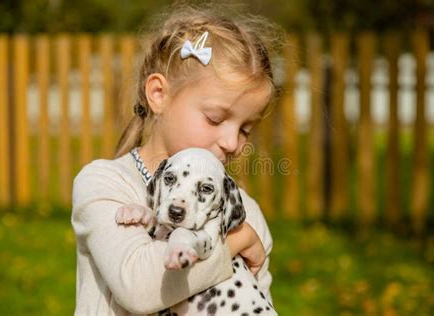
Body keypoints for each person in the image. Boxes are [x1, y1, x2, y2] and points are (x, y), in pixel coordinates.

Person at [72, 3, 282, 315]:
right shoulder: (106, 184)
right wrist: (233, 243)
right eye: (214, 119)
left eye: (245, 130)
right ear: (158, 94)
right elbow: (139, 288)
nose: (232, 142)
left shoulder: (245, 210)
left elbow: (254, 304)